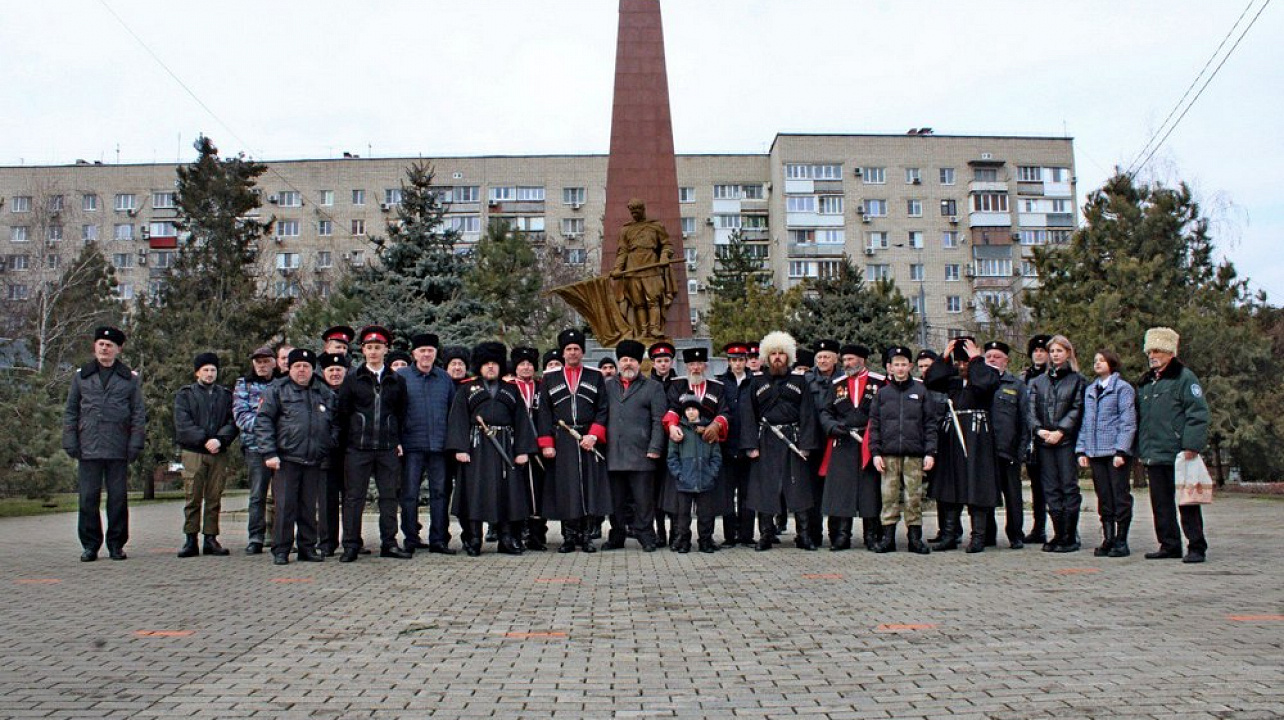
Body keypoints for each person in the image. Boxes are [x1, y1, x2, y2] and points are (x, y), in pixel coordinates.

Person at [446, 342, 537, 556]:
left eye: (494, 364)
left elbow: (522, 421)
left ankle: (506, 538)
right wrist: (460, 447)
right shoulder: (467, 389)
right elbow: (457, 420)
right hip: (476, 447)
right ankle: (474, 538)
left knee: (507, 493)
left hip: (505, 445)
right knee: (475, 492)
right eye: (486, 364)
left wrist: (523, 450)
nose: (490, 368)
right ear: (479, 366)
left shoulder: (511, 390)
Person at [64, 326, 146, 562]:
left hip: (118, 446)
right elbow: (71, 411)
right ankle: (90, 545)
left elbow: (137, 413)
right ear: (94, 347)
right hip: (88, 445)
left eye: (109, 345)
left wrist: (135, 444)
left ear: (118, 349)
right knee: (88, 498)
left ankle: (116, 544)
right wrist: (70, 440)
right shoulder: (82, 376)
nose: (104, 348)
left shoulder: (128, 379)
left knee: (118, 499)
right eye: (100, 344)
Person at [253, 348, 338, 565]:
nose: (302, 370)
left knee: (309, 507)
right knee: (285, 507)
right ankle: (281, 549)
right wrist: (269, 452)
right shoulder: (277, 390)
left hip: (314, 459)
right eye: (297, 366)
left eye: (306, 366)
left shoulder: (323, 391)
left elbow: (335, 422)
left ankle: (307, 548)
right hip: (286, 459)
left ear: (312, 369)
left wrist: (328, 443)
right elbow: (263, 422)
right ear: (289, 368)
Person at [740, 331, 821, 551]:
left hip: (793, 441)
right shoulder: (756, 382)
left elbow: (808, 414)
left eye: (781, 354)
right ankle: (766, 535)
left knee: (799, 489)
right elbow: (748, 415)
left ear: (789, 357)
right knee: (764, 489)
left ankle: (803, 535)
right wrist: (750, 446)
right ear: (766, 356)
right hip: (765, 440)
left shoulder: (799, 381)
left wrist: (806, 445)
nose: (777, 357)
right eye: (773, 353)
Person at [1136, 327, 1210, 563]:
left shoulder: (1184, 378)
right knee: (1160, 504)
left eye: (1157, 350)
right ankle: (1169, 544)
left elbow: (1197, 413)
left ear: (1170, 352)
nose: (1152, 355)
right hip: (1154, 453)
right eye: (1150, 351)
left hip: (1180, 453)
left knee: (1187, 502)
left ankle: (1196, 545)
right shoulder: (1147, 383)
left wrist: (1191, 445)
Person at [336, 326, 410, 562]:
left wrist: (397, 440)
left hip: (387, 448)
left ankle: (389, 543)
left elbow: (401, 413)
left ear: (385, 350)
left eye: (378, 347)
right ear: (363, 351)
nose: (373, 352)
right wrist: (348, 442)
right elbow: (343, 413)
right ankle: (350, 545)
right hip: (358, 448)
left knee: (389, 497)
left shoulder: (397, 380)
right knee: (353, 498)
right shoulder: (352, 380)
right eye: (369, 348)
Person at [537, 329, 611, 553]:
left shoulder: (595, 375)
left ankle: (586, 535)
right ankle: (568, 536)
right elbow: (544, 412)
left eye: (576, 349)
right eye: (568, 349)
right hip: (562, 441)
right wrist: (547, 443)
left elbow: (603, 408)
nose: (572, 353)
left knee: (589, 487)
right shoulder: (550, 378)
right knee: (566, 488)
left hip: (587, 439)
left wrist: (594, 435)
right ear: (562, 352)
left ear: (582, 351)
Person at [924, 338, 1001, 553]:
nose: (962, 366)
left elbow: (984, 384)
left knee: (977, 486)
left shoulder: (988, 373)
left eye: (965, 361)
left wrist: (977, 360)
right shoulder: (952, 380)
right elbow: (931, 380)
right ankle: (949, 534)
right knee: (950, 484)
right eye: (959, 362)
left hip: (978, 438)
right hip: (953, 436)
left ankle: (978, 536)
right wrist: (944, 357)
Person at [659, 346, 730, 551]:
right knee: (682, 511)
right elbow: (672, 407)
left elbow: (725, 410)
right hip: (684, 454)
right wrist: (672, 426)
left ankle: (706, 540)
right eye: (692, 364)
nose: (696, 368)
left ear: (705, 365)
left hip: (707, 450)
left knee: (706, 510)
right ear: (686, 366)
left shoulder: (717, 387)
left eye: (699, 364)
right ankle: (682, 540)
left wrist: (716, 425)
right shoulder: (677, 385)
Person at [868, 346, 938, 554]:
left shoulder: (920, 392)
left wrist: (930, 452)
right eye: (896, 364)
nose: (900, 368)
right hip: (888, 454)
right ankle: (887, 538)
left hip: (914, 454)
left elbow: (930, 424)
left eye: (903, 364)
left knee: (914, 497)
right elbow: (875, 425)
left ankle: (914, 538)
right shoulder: (882, 394)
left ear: (910, 366)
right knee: (888, 496)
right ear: (889, 367)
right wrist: (875, 453)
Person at [601, 339, 667, 551]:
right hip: (613, 454)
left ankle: (646, 535)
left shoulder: (653, 388)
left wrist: (655, 447)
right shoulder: (607, 387)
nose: (627, 364)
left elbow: (659, 420)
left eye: (632, 360)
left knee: (644, 501)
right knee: (616, 501)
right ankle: (617, 535)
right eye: (624, 360)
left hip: (642, 455)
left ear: (639, 364)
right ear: (618, 363)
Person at [818, 344, 885, 551]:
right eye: (844, 360)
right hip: (844, 441)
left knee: (869, 490)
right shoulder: (837, 385)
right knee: (842, 490)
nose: (846, 364)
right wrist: (832, 426)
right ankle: (842, 536)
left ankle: (871, 535)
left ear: (862, 360)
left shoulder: (879, 382)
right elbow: (825, 412)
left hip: (868, 441)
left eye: (850, 360)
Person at [174, 352, 238, 558]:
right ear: (197, 372)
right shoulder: (185, 395)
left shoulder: (226, 395)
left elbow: (233, 421)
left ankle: (211, 537)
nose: (210, 374)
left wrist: (220, 439)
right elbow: (183, 423)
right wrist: (204, 440)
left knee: (214, 497)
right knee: (192, 496)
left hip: (218, 452)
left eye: (213, 370)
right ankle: (190, 538)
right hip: (194, 452)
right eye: (206, 370)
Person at [1026, 335, 1087, 553]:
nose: (1055, 355)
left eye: (1060, 351)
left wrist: (1061, 430)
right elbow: (1030, 410)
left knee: (1069, 488)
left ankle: (1070, 535)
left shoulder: (1078, 380)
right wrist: (1040, 430)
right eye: (1052, 351)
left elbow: (1077, 408)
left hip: (1066, 442)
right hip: (1044, 442)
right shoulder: (1038, 382)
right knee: (1050, 489)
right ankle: (1058, 533)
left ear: (1068, 353)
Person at [398, 333, 457, 554]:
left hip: (439, 447)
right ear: (414, 354)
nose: (426, 355)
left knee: (440, 493)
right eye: (422, 350)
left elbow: (453, 412)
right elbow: (394, 411)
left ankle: (439, 539)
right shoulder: (402, 377)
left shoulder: (444, 378)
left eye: (430, 351)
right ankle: (411, 538)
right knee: (410, 494)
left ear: (435, 354)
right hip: (411, 445)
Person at [1075, 349, 1137, 558]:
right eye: (1095, 360)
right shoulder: (1091, 389)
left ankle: (1121, 539)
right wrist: (1081, 449)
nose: (1097, 363)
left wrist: (1121, 450)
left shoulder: (1122, 389)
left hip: (1114, 451)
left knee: (1120, 495)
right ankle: (1108, 537)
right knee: (1104, 497)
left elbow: (1127, 421)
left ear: (1112, 363)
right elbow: (1086, 421)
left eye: (1102, 360)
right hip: (1095, 451)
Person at [984, 341, 1030, 549]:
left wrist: (1020, 451)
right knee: (986, 495)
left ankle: (1015, 534)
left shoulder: (1017, 386)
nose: (992, 359)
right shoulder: (982, 384)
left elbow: (1024, 421)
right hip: (985, 452)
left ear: (1006, 360)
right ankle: (988, 534)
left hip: (1008, 451)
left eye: (996, 356)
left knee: (1013, 496)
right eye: (988, 356)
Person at [233, 345, 278, 554]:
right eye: (258, 362)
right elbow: (241, 416)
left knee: (281, 495)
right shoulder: (244, 385)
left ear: (274, 363)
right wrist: (265, 428)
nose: (262, 365)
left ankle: (280, 536)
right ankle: (256, 537)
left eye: (266, 361)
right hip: (254, 446)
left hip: (280, 447)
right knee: (257, 495)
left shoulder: (281, 384)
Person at [610, 198, 677, 338]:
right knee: (638, 303)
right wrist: (618, 268)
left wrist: (664, 255)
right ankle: (643, 331)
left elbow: (667, 245)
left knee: (653, 300)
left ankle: (654, 328)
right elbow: (622, 251)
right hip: (632, 268)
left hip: (651, 266)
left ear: (643, 209)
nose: (634, 214)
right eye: (632, 212)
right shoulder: (626, 230)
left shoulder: (655, 226)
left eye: (637, 211)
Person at [667, 394, 725, 553]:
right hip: (685, 480)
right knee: (683, 515)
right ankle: (684, 541)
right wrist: (679, 474)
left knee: (705, 514)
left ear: (699, 411)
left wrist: (711, 473)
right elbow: (672, 456)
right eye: (688, 409)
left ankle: (705, 541)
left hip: (705, 479)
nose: (691, 412)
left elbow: (716, 456)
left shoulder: (708, 430)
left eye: (694, 409)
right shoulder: (679, 430)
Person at [803, 339, 842, 548]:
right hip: (814, 441)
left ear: (836, 358)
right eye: (819, 357)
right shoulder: (807, 380)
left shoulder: (843, 379)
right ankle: (813, 534)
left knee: (836, 489)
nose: (823, 360)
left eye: (827, 356)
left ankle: (837, 534)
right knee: (813, 490)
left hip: (837, 441)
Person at [510, 346, 548, 550]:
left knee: (538, 493)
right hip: (515, 447)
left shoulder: (542, 387)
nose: (526, 368)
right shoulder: (508, 387)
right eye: (522, 364)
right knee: (518, 492)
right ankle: (517, 533)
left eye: (529, 364)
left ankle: (537, 535)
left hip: (538, 447)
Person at [717, 341, 754, 547]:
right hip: (727, 445)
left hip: (748, 445)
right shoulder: (722, 383)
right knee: (727, 493)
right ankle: (730, 536)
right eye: (734, 360)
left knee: (748, 494)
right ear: (728, 362)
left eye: (741, 360)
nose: (737, 364)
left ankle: (747, 535)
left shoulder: (754, 382)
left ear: (746, 361)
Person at [316, 352, 350, 556]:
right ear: (324, 372)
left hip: (350, 453)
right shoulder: (317, 393)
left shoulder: (352, 391)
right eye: (331, 370)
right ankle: (327, 543)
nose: (335, 373)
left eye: (339, 370)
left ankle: (351, 540)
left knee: (350, 500)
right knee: (327, 500)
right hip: (326, 454)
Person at [1021, 334, 1053, 544]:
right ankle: (1038, 527)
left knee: (1053, 484)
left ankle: (1063, 527)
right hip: (1031, 436)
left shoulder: (1054, 375)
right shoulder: (1024, 377)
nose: (1039, 354)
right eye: (1036, 351)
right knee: (1036, 486)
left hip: (1050, 434)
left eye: (1043, 351)